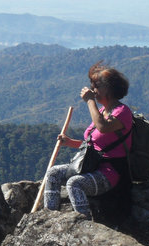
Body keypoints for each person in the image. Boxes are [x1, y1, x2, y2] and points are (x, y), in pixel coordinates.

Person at [44, 62, 133, 221]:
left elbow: (103, 127)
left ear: (109, 89)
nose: (92, 89)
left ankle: (84, 224)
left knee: (74, 183)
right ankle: (49, 217)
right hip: (91, 165)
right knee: (53, 173)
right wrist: (70, 142)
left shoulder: (122, 112)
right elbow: (93, 147)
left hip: (110, 173)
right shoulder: (102, 111)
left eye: (96, 85)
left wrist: (90, 101)